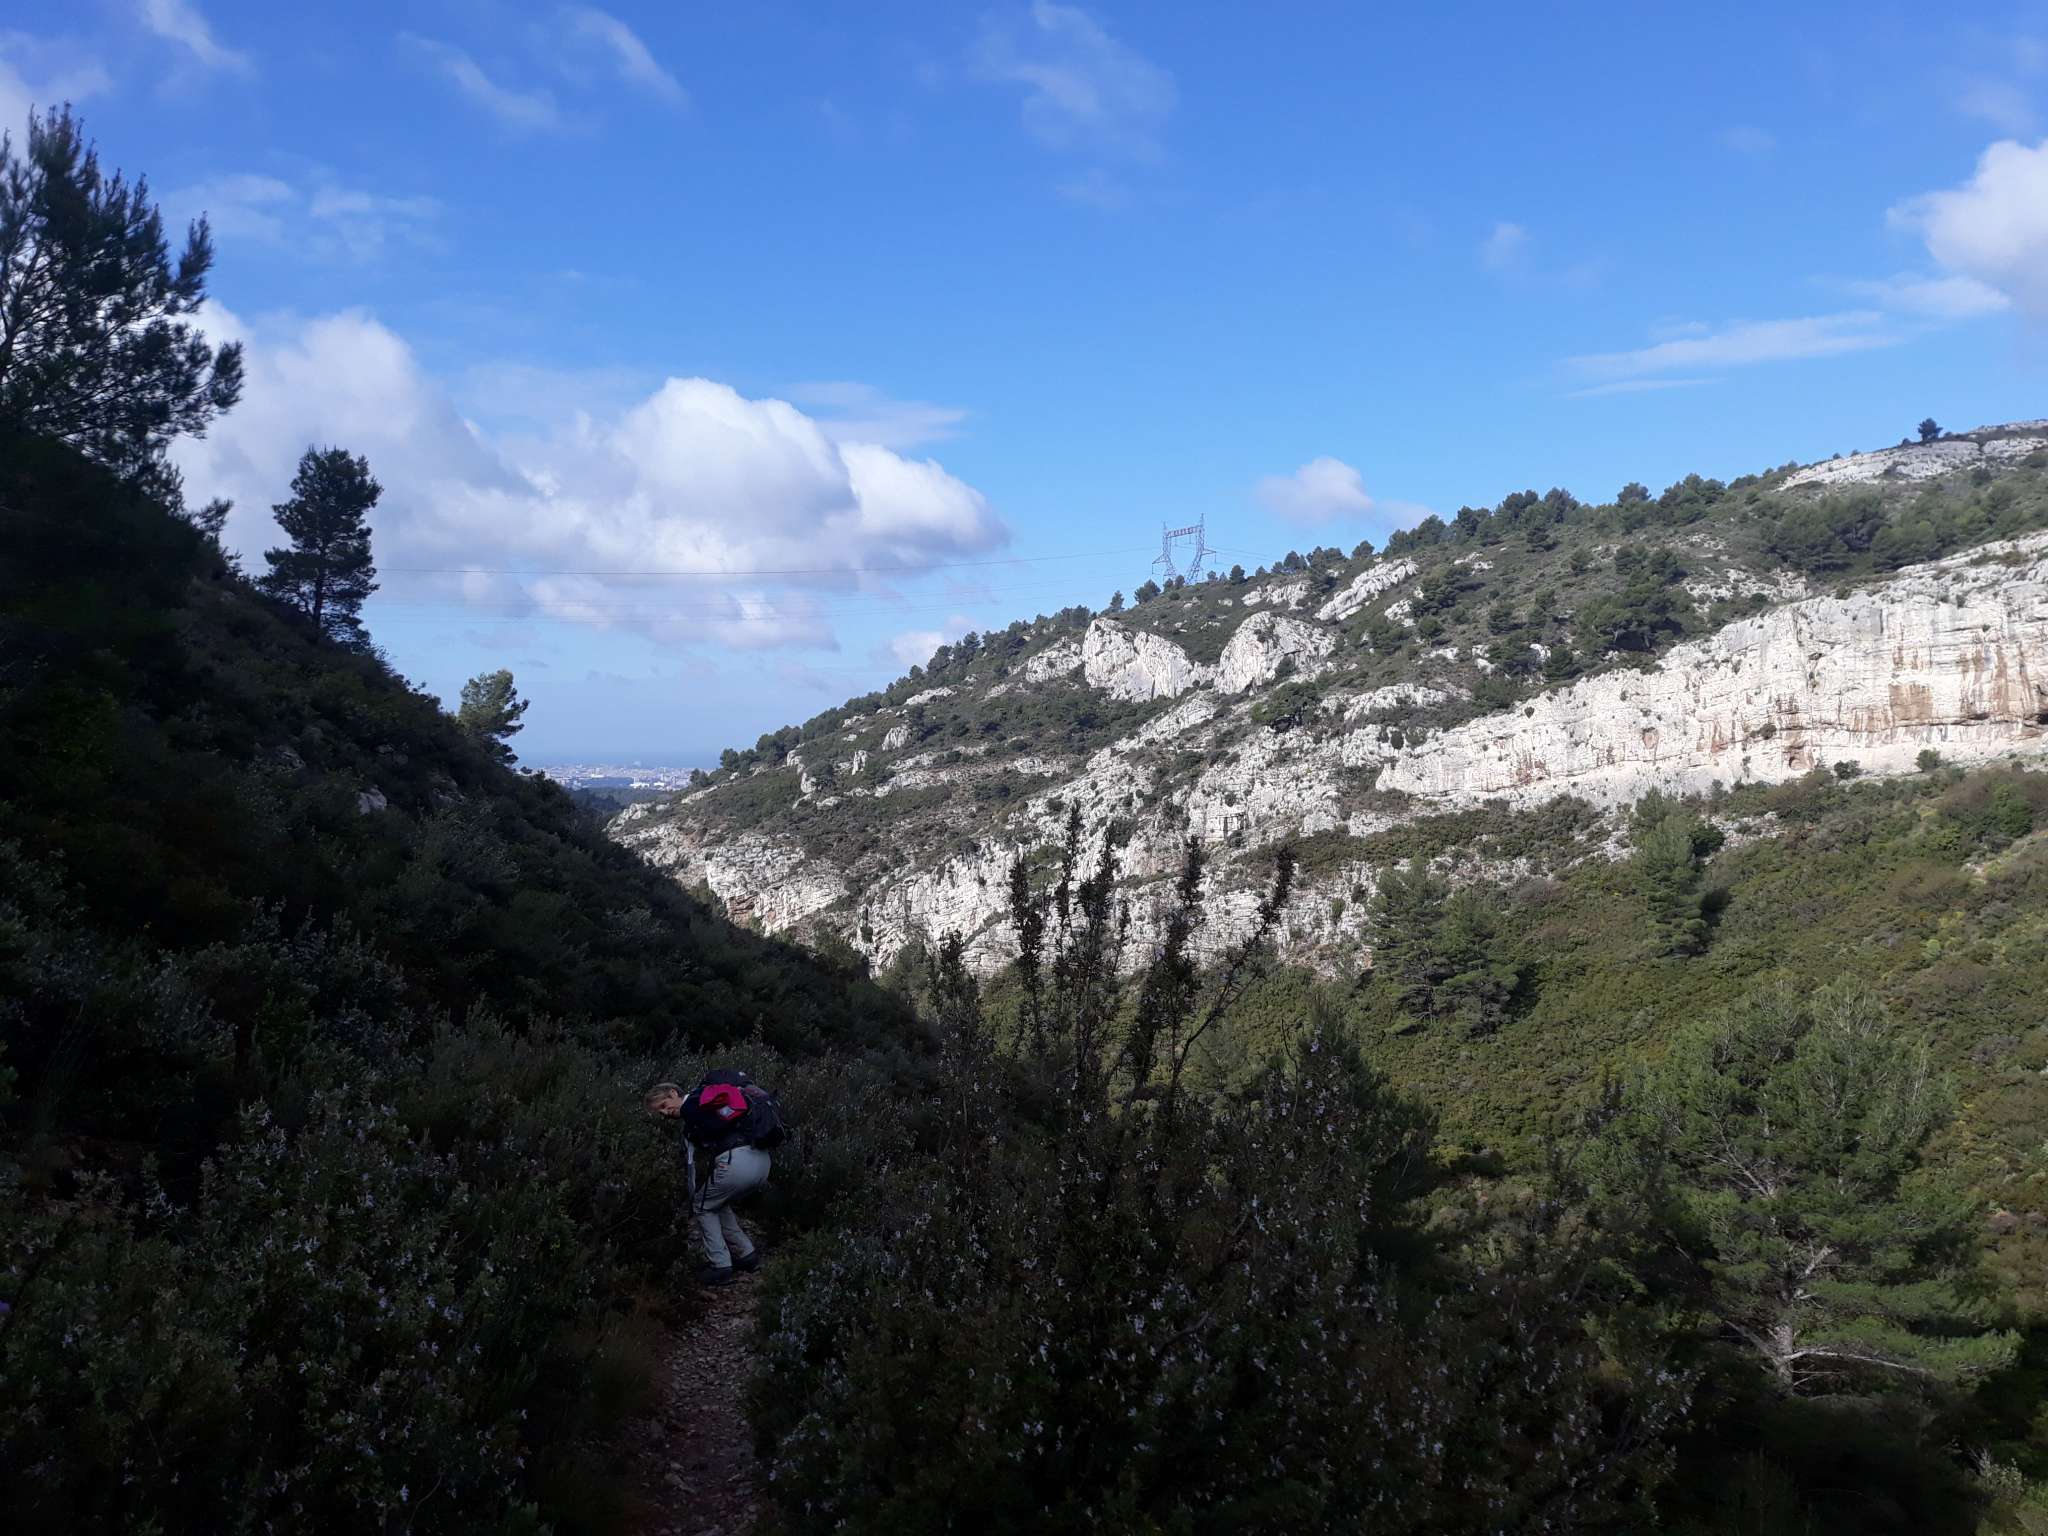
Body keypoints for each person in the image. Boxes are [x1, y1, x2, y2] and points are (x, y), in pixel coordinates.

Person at [645, 1076, 774, 1286]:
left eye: (664, 1105)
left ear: (673, 1093)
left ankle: (720, 1266)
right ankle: (747, 1255)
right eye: (660, 1113)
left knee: (702, 1206)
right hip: (762, 1161)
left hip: (737, 1161)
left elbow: (696, 1158)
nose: (665, 1113)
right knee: (717, 1203)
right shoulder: (708, 1103)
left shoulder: (691, 1106)